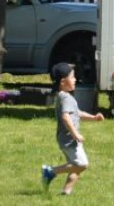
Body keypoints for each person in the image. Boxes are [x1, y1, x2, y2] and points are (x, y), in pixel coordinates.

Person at [41, 62, 104, 196]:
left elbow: (77, 113)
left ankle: (66, 192)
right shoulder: (66, 98)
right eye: (73, 77)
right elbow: (65, 117)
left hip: (66, 139)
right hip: (69, 140)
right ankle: (50, 171)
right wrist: (75, 134)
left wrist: (93, 118)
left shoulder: (62, 96)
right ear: (63, 81)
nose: (75, 79)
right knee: (82, 164)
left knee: (75, 166)